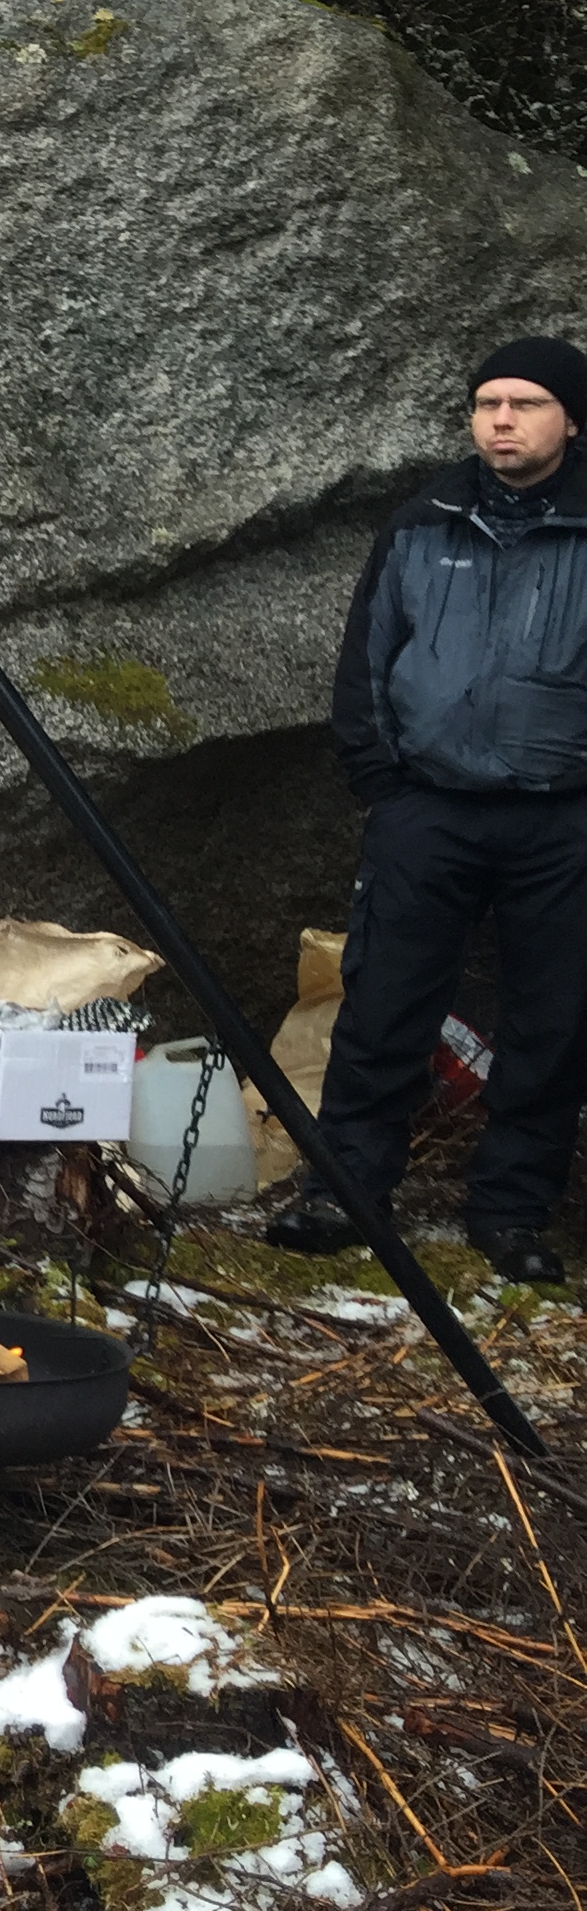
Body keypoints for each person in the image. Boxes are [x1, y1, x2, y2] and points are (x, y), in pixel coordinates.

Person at [272, 334, 587, 1286]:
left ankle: (510, 1211)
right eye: (488, 403)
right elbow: (366, 664)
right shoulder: (421, 523)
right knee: (384, 1005)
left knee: (554, 1021)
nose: (501, 420)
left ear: (570, 419)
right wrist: (388, 789)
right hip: (429, 812)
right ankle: (346, 1190)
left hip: (563, 819)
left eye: (524, 404)